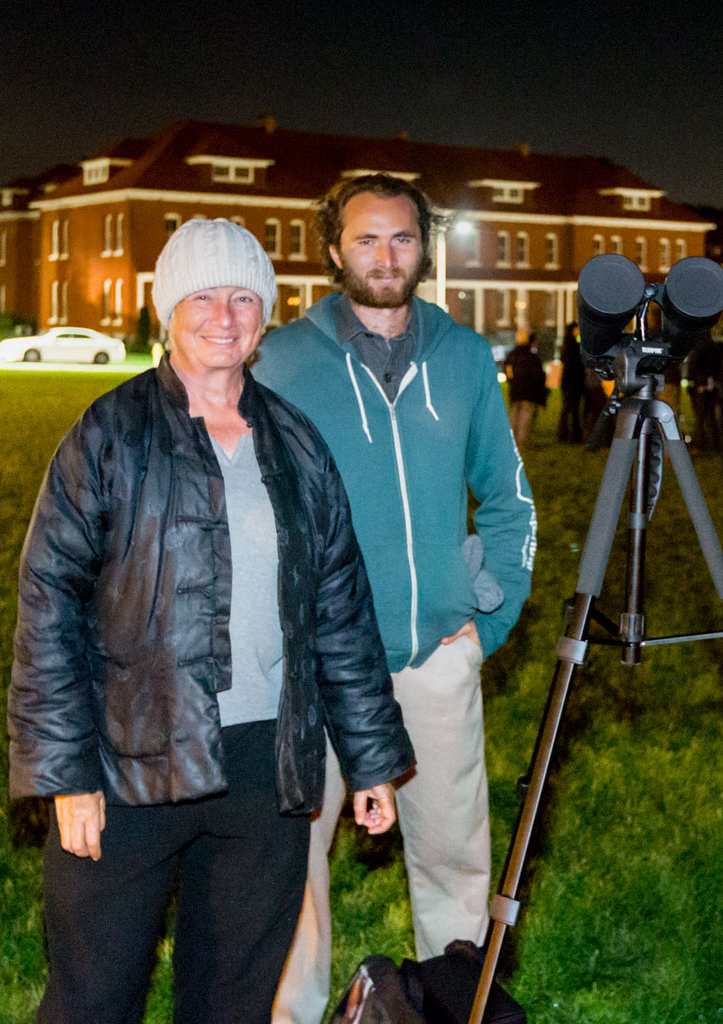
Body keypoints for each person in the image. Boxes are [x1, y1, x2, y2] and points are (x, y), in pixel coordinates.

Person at [7, 218, 415, 1024]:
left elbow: (340, 609)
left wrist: (371, 761)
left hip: (266, 770)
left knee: (231, 1000)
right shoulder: (108, 435)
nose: (223, 316)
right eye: (202, 295)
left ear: (265, 314)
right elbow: (47, 604)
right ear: (167, 309)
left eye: (242, 297)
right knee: (94, 997)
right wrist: (67, 775)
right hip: (127, 763)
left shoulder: (296, 443)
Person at [253, 174, 536, 1024]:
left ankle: (451, 1006)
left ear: (425, 246)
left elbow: (509, 495)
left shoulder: (462, 355)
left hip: (434, 656)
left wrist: (486, 623)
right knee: (292, 861)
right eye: (367, 239)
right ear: (334, 248)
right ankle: (293, 1013)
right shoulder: (281, 361)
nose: (387, 256)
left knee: (455, 858)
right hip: (313, 668)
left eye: (403, 238)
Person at [503, 326, 548, 449]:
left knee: (514, 416)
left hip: (516, 391)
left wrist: (512, 380)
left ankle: (511, 442)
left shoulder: (512, 355)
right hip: (529, 392)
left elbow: (508, 370)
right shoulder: (532, 356)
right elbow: (538, 375)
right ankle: (521, 443)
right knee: (525, 418)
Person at [557, 321, 585, 443]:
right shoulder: (575, 346)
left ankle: (563, 434)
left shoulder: (565, 346)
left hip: (567, 383)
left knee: (567, 409)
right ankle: (574, 436)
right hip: (574, 383)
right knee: (573, 410)